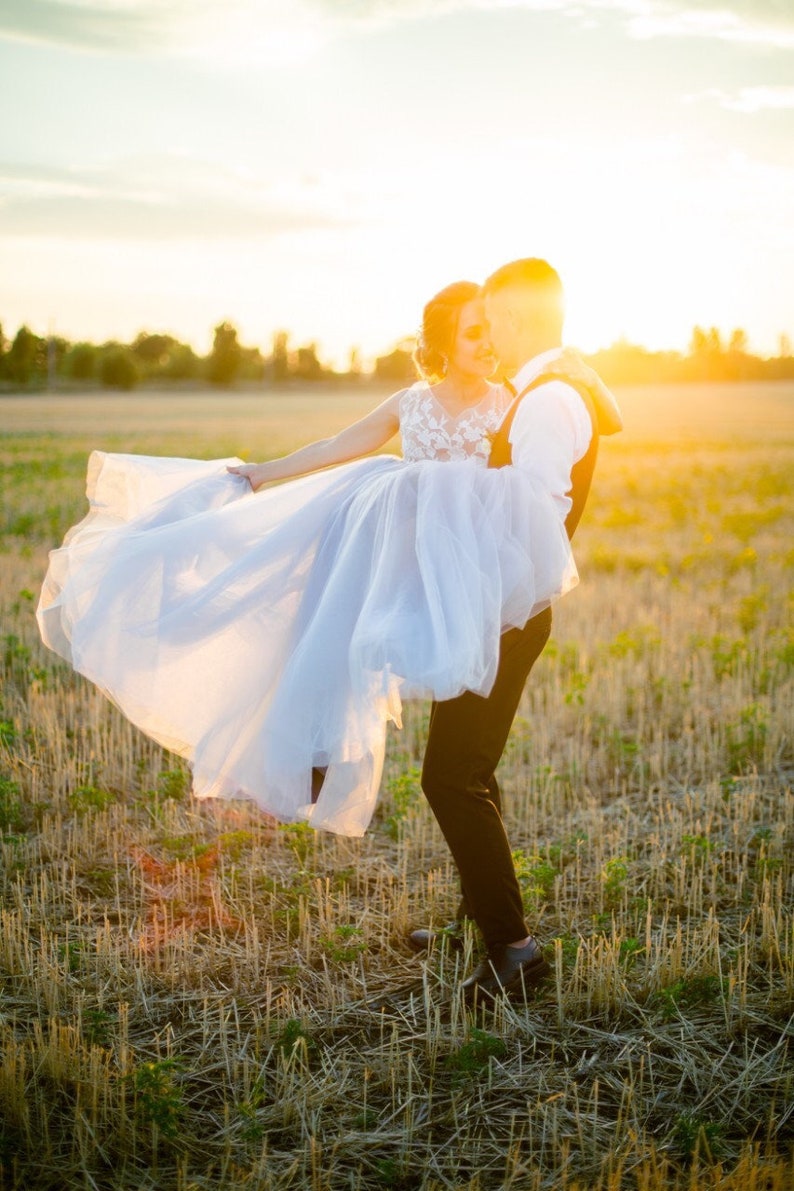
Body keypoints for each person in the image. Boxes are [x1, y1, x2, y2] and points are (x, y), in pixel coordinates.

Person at [37, 281, 588, 839]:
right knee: (330, 615)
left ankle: (463, 801)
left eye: (490, 331)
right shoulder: (411, 402)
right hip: (399, 551)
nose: (487, 343)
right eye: (474, 332)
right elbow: (338, 445)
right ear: (445, 340)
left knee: (443, 704)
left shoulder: (510, 404)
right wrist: (267, 470)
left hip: (462, 566)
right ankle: (315, 753)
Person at [409, 258, 622, 1004]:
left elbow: (532, 515)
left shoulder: (545, 401)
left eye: (493, 317)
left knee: (448, 776)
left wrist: (430, 487)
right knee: (475, 766)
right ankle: (482, 915)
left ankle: (514, 948)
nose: (487, 332)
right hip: (499, 606)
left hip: (506, 610)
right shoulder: (552, 388)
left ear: (520, 319)